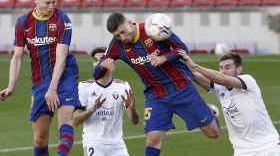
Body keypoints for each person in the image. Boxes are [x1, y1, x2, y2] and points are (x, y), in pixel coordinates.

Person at [93, 12, 220, 156]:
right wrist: (104, 67)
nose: (122, 37)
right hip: (155, 95)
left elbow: (182, 49)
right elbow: (96, 74)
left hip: (181, 87)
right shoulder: (117, 44)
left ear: (129, 22)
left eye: (122, 32)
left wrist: (164, 58)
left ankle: (210, 112)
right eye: (117, 35)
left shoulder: (152, 29)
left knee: (213, 133)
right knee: (153, 139)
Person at [0, 0, 79, 155]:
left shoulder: (63, 20)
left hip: (64, 76)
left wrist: (53, 88)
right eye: (47, 3)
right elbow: (17, 56)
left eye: (54, 2)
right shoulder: (23, 22)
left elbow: (61, 56)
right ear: (36, 0)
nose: (51, 7)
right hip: (40, 81)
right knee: (40, 138)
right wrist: (11, 86)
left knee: (65, 125)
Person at [178, 51, 280, 156]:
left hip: (268, 146)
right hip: (242, 151)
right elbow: (193, 75)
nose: (223, 71)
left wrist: (194, 66)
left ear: (239, 69)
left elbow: (223, 79)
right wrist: (178, 64)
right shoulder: (220, 88)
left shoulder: (248, 80)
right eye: (221, 68)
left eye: (227, 67)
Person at [73, 47, 139, 156]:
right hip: (94, 142)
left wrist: (132, 109)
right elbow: (75, 121)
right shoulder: (84, 87)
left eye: (102, 59)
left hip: (117, 145)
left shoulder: (123, 87)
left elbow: (135, 121)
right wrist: (92, 109)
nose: (98, 63)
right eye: (95, 60)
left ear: (112, 64)